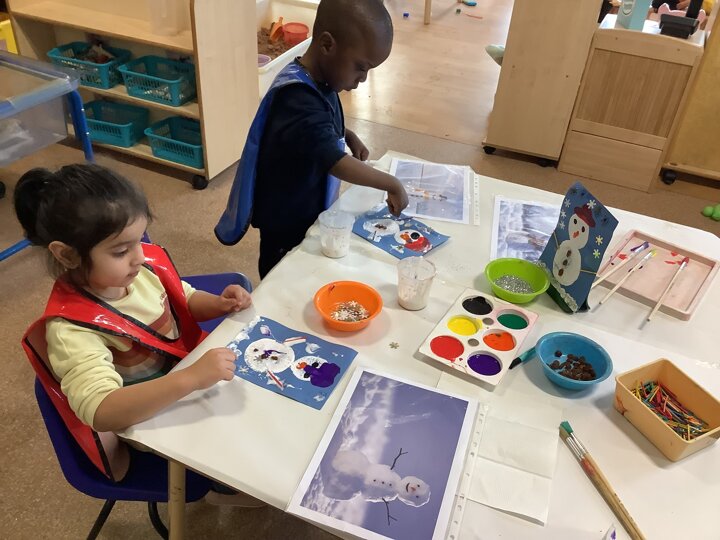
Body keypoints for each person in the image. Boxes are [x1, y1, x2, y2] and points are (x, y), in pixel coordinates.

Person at [16, 164, 260, 505]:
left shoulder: (139, 272)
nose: (140, 257)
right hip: (150, 418)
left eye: (140, 240)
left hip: (186, 379)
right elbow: (101, 410)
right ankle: (222, 487)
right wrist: (190, 378)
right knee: (238, 436)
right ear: (68, 255)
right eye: (121, 251)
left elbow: (182, 298)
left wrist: (217, 304)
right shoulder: (71, 331)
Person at [215, 0, 409, 278]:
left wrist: (347, 134)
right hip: (286, 220)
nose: (363, 79)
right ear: (327, 45)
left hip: (305, 206)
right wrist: (391, 183)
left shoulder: (318, 80)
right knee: (283, 278)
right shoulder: (296, 98)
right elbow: (335, 161)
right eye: (360, 67)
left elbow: (316, 129)